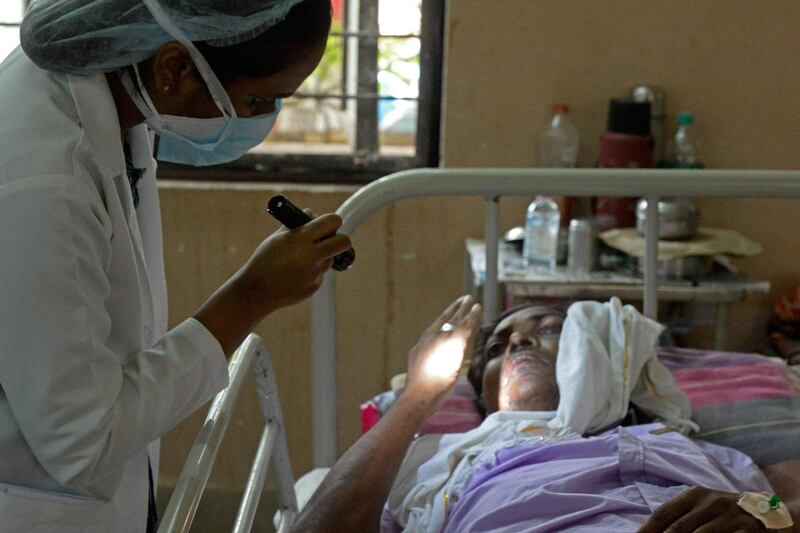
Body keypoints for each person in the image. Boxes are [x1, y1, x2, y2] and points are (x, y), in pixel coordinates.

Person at [0, 1, 352, 531]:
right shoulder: (48, 185)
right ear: (175, 68)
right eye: (257, 98)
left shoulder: (110, 90)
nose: (261, 119)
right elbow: (81, 442)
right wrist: (252, 296)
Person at [294, 300, 794, 532]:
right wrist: (417, 398)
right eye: (496, 346)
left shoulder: (695, 449)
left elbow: (779, 504)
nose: (517, 341)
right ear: (483, 394)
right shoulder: (437, 466)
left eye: (549, 327)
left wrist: (768, 514)